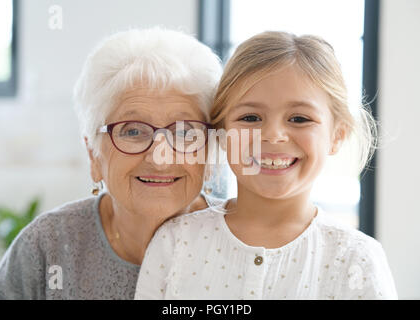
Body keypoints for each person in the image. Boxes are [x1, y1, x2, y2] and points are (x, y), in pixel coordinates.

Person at [134, 31, 398, 300]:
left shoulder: (356, 258)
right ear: (222, 133)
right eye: (250, 117)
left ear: (336, 136)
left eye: (299, 118)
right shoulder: (175, 243)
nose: (273, 135)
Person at [0, 27, 222, 299]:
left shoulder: (245, 244)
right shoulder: (47, 245)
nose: (159, 157)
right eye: (133, 131)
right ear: (94, 154)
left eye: (183, 132)